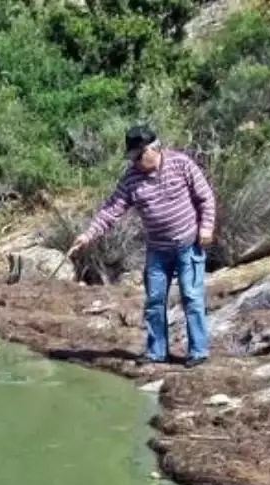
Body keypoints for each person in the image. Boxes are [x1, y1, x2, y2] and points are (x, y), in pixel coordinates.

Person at [68, 124, 217, 367]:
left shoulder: (182, 164)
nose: (135, 162)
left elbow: (205, 197)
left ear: (153, 149)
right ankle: (157, 353)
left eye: (138, 156)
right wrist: (87, 235)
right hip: (158, 250)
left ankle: (198, 352)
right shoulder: (131, 178)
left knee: (192, 297)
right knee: (155, 300)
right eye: (132, 157)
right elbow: (111, 210)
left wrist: (207, 227)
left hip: (188, 244)